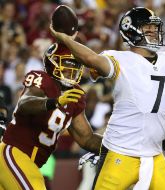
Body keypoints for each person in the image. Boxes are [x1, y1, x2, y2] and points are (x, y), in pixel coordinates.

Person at [50, 7, 165, 190]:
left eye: (155, 28)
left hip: (154, 156)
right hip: (121, 152)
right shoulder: (119, 59)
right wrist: (64, 38)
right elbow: (90, 58)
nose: (154, 32)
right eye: (148, 28)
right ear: (132, 31)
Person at [0, 42, 102, 190]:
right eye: (67, 64)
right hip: (13, 153)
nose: (72, 70)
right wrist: (56, 102)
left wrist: (118, 146)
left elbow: (87, 138)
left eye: (76, 66)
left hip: (32, 165)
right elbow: (25, 104)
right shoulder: (42, 79)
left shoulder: (75, 96)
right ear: (53, 62)